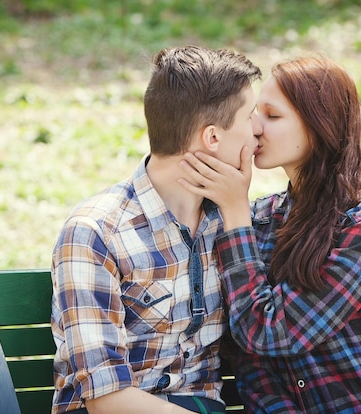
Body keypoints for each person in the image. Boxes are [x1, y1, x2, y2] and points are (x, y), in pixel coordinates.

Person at [179, 54, 361, 413]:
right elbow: (246, 351)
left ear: (320, 125)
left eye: (272, 116)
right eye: (255, 113)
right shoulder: (257, 219)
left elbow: (271, 332)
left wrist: (235, 211)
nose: (255, 127)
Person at [50, 45, 262, 414]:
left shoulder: (230, 220)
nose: (258, 129)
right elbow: (105, 398)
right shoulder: (96, 231)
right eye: (251, 116)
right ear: (212, 138)